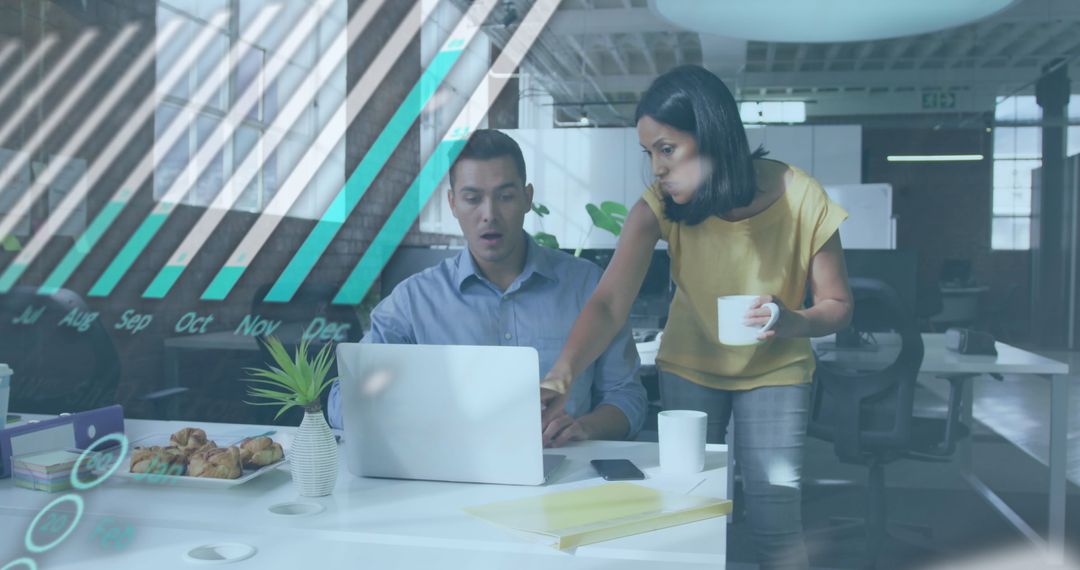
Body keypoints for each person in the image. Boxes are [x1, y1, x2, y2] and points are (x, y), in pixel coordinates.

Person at [540, 65, 853, 569]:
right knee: (688, 515)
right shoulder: (659, 206)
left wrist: (792, 321)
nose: (656, 168)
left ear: (711, 137)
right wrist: (563, 371)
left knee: (775, 517)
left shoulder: (802, 198)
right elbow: (608, 302)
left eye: (667, 149)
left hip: (776, 370)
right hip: (689, 364)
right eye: (648, 153)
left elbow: (838, 305)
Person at [328, 129, 647, 446]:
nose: (489, 215)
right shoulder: (413, 302)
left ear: (527, 198)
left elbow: (627, 397)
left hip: (563, 470)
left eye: (505, 197)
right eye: (472, 199)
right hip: (450, 475)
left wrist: (584, 428)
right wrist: (416, 417)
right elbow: (343, 401)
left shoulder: (590, 287)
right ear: (452, 203)